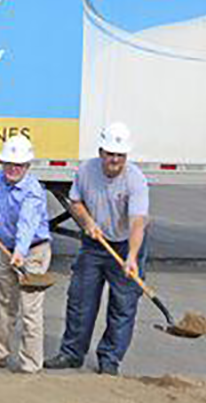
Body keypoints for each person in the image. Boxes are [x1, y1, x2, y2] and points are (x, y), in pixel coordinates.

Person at [46, 122, 148, 376]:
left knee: (123, 305)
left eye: (120, 155)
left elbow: (138, 222)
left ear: (126, 155)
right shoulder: (86, 171)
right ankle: (72, 354)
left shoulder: (136, 180)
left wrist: (132, 257)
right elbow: (76, 201)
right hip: (94, 243)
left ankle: (110, 359)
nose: (114, 159)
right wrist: (87, 221)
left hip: (126, 244)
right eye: (110, 153)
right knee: (81, 299)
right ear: (101, 151)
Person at [0, 135, 51, 374]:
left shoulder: (33, 191)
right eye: (8, 163)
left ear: (28, 166)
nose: (12, 168)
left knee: (30, 309)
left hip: (33, 251)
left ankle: (30, 363)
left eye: (18, 165)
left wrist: (19, 252)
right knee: (4, 303)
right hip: (5, 249)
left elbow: (27, 224)